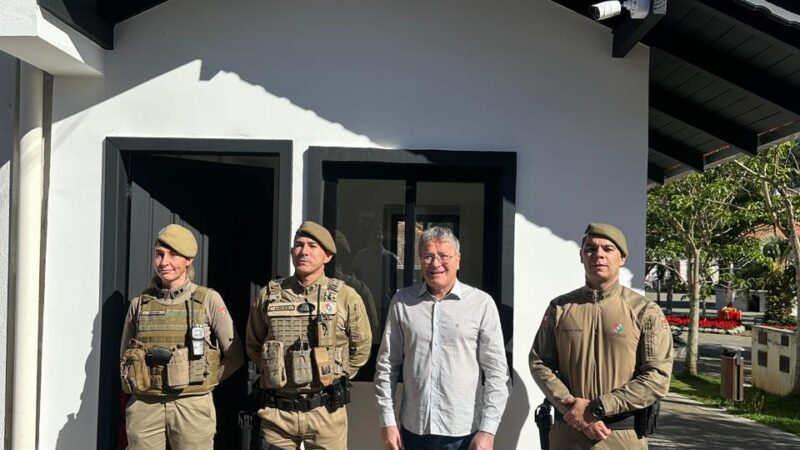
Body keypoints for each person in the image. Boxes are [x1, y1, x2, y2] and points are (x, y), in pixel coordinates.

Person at [529, 223, 673, 450]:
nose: (598, 255)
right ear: (581, 256)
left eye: (608, 249)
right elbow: (539, 362)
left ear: (622, 257)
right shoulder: (560, 308)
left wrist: (599, 408)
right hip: (568, 436)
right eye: (591, 249)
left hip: (621, 437)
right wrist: (571, 408)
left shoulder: (644, 311)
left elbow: (657, 376)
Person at [374, 226, 510, 450]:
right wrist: (387, 422)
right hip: (413, 431)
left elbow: (497, 373)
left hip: (464, 433)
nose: (435, 264)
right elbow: (387, 366)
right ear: (420, 261)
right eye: (427, 256)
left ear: (458, 260)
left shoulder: (481, 304)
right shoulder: (402, 302)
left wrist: (488, 430)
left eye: (443, 256)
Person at [246, 221, 372, 449]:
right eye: (298, 245)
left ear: (328, 256)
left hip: (326, 411)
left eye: (312, 246)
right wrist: (277, 372)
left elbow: (361, 348)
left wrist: (337, 374)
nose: (303, 251)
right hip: (277, 413)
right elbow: (254, 344)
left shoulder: (346, 297)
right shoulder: (269, 295)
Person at [120, 224, 245, 450]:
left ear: (188, 260)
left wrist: (208, 380)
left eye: (173, 254)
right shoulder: (140, 304)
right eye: (159, 254)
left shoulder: (208, 300)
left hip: (192, 406)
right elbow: (124, 357)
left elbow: (235, 355)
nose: (164, 262)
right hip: (146, 404)